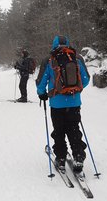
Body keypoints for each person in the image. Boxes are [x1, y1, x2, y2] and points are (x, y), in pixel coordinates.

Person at [36, 35, 90, 173]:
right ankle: (78, 156)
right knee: (74, 129)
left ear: (54, 45)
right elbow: (86, 80)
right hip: (74, 102)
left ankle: (60, 158)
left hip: (57, 104)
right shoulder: (77, 58)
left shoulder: (49, 60)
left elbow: (41, 81)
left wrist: (42, 93)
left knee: (59, 130)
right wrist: (73, 91)